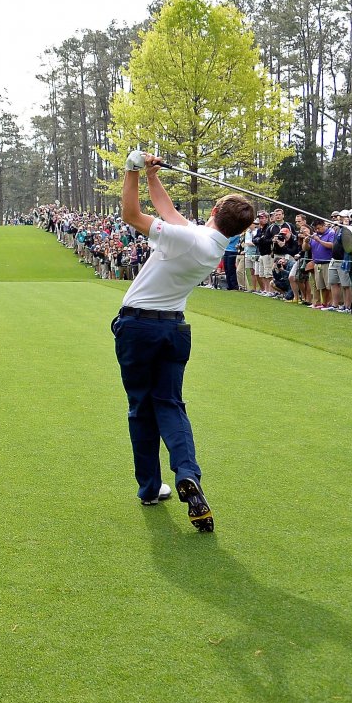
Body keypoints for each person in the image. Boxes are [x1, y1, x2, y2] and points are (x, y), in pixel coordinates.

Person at [112, 151, 255, 532]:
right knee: (170, 404)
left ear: (214, 211)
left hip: (139, 327)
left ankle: (149, 487)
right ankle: (188, 473)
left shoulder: (190, 239)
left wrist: (131, 169)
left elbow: (131, 216)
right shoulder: (210, 243)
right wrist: (152, 176)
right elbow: (170, 213)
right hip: (174, 330)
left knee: (141, 408)